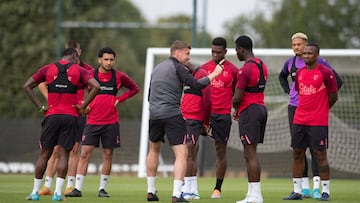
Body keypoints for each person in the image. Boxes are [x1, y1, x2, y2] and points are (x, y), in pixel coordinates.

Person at [145, 40, 224, 202]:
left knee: (153, 150)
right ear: (177, 53)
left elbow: (149, 95)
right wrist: (215, 74)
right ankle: (176, 194)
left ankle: (151, 191)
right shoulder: (178, 67)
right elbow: (195, 84)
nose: (188, 58)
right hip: (172, 114)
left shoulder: (158, 68)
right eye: (187, 54)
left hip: (154, 114)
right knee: (182, 153)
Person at [23, 48, 100, 201]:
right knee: (64, 154)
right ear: (75, 56)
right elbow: (96, 86)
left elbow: (27, 86)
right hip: (70, 118)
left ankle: (34, 193)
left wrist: (40, 107)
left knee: (45, 154)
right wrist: (83, 107)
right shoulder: (79, 70)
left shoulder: (48, 68)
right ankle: (57, 194)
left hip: (51, 116)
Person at [65, 47, 139, 198]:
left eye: (111, 59)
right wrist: (82, 104)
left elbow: (134, 88)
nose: (109, 62)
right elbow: (75, 88)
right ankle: (77, 188)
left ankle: (102, 189)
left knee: (108, 154)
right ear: (99, 60)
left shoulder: (119, 76)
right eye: (106, 59)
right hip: (92, 121)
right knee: (84, 154)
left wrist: (119, 99)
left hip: (111, 122)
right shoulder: (89, 74)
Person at [279, 32, 342, 199]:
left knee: (319, 153)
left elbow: (334, 95)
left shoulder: (325, 72)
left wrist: (322, 108)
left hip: (318, 120)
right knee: (297, 152)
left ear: (317, 55)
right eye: (305, 53)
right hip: (300, 118)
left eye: (309, 53)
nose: (306, 55)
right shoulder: (299, 73)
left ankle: (325, 191)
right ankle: (298, 190)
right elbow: (301, 94)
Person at [38, 40, 94, 196]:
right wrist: (51, 101)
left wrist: (86, 105)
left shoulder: (87, 69)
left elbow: (95, 88)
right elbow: (41, 84)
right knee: (54, 150)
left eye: (74, 51)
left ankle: (70, 185)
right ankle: (48, 185)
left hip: (77, 113)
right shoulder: (56, 68)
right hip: (59, 112)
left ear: (79, 52)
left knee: (74, 150)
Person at [232, 35, 268, 203]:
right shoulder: (263, 65)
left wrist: (235, 108)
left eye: (236, 50)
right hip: (261, 109)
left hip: (250, 111)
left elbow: (237, 97)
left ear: (241, 49)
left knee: (250, 154)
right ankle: (252, 194)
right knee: (250, 153)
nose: (236, 53)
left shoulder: (244, 69)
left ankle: (256, 196)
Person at [201, 37, 238, 199]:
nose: (215, 54)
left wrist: (237, 109)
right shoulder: (204, 68)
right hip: (202, 114)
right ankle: (188, 187)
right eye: (213, 51)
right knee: (190, 148)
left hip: (222, 115)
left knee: (220, 151)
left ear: (225, 52)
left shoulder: (234, 70)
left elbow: (238, 93)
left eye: (218, 52)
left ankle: (217, 189)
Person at [180, 62, 211, 200]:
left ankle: (187, 188)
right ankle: (193, 189)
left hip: (193, 119)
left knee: (188, 154)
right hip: (185, 118)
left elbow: (208, 101)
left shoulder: (202, 74)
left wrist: (205, 122)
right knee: (191, 152)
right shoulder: (187, 76)